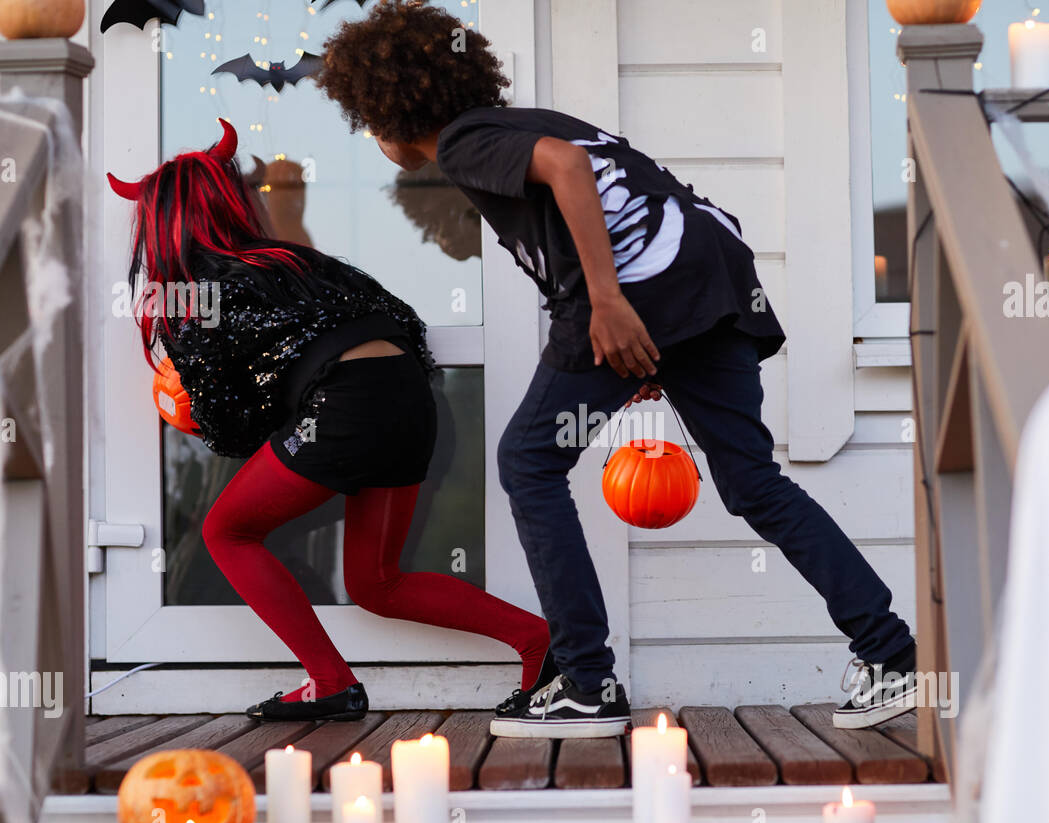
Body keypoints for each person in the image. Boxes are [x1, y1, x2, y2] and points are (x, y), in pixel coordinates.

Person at [315, 2, 918, 737]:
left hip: (640, 293)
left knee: (528, 460)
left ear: (390, 110)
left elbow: (568, 172)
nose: (374, 138)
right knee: (755, 484)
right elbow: (637, 188)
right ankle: (890, 655)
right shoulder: (527, 120)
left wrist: (609, 302)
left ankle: (586, 681)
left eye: (368, 122)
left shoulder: (468, 141)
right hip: (708, 285)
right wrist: (668, 329)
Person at [108, 118, 553, 722]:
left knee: (225, 532)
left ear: (160, 226)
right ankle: (541, 642)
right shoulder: (298, 262)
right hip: (410, 400)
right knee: (375, 583)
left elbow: (232, 428)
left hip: (346, 408)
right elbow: (400, 321)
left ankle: (330, 682)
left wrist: (188, 408)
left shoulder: (197, 290)